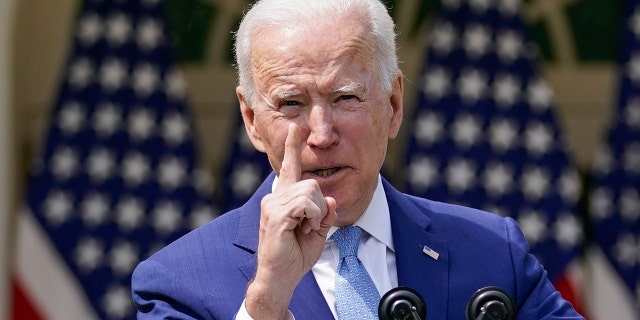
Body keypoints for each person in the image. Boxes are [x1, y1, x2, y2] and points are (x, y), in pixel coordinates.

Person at [131, 0, 585, 319]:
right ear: (251, 119)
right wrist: (266, 304)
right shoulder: (179, 282)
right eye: (290, 104)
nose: (322, 135)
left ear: (393, 103)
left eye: (345, 97)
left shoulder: (492, 252)